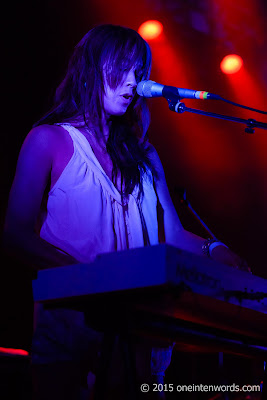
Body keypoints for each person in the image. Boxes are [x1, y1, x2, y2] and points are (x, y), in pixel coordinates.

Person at [4, 24, 248, 400]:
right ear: (91, 68)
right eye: (123, 68)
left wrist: (215, 251)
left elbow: (174, 235)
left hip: (144, 338)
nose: (134, 81)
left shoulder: (145, 154)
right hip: (73, 334)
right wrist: (91, 279)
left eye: (140, 71)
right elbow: (15, 233)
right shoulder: (49, 141)